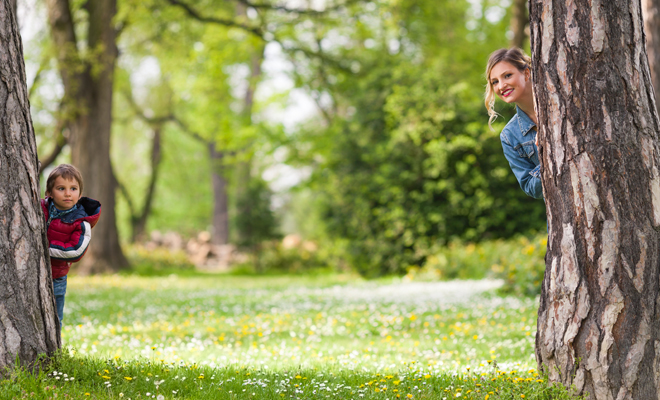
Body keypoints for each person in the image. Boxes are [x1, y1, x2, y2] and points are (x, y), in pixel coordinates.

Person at [41, 164, 101, 331]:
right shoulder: (41, 209)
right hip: (32, 272)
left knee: (54, 318)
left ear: (80, 194)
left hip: (56, 278)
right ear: (49, 193)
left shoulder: (81, 222)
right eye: (61, 188)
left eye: (73, 188)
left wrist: (43, 250)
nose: (68, 193)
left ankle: (55, 350)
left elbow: (75, 250)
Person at [485, 47, 542, 199]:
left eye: (507, 75)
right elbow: (531, 188)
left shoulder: (565, 105)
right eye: (495, 82)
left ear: (527, 73)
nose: (501, 86)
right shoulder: (510, 135)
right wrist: (548, 158)